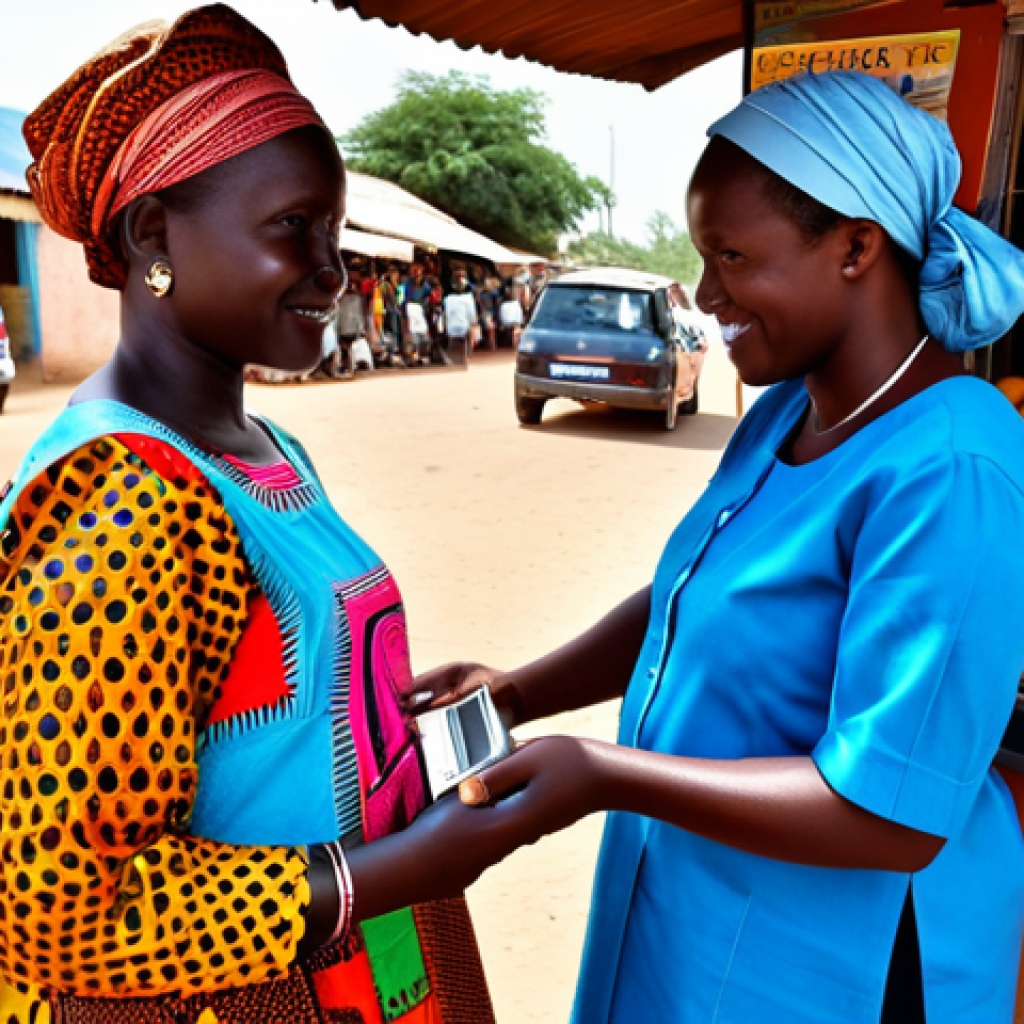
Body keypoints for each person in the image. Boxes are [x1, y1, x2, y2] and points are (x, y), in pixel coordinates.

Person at [410, 71, 1024, 1023]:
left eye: (732, 256)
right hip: (693, 916)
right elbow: (688, 597)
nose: (706, 296)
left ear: (858, 247)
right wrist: (520, 690)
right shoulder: (786, 412)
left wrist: (606, 772)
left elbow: (891, 813)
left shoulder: (952, 466)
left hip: (835, 968)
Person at [0, 7, 516, 1021]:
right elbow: (55, 910)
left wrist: (387, 709)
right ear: (156, 235)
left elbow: (249, 699)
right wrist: (389, 871)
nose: (333, 269)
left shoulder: (262, 449)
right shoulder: (124, 500)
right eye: (294, 228)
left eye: (333, 230)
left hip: (367, 963)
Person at [443, 268, 478, 367]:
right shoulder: (469, 298)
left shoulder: (447, 299)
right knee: (473, 327)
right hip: (464, 328)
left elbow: (446, 314)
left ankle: (453, 353)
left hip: (451, 329)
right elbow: (472, 316)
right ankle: (468, 355)